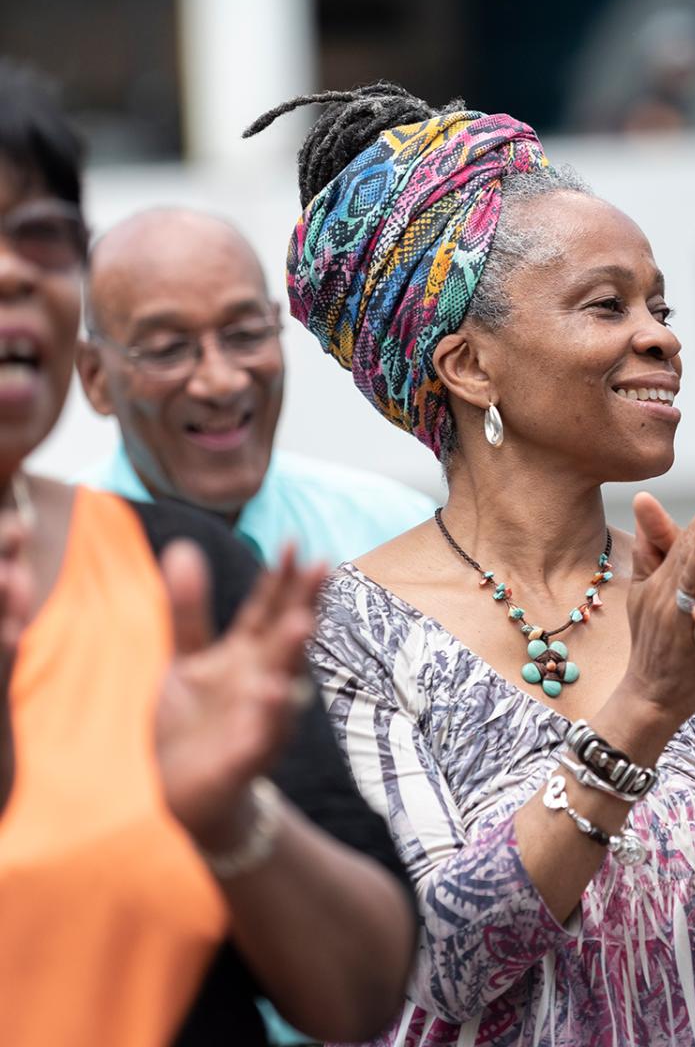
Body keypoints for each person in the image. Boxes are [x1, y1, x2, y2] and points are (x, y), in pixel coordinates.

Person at [243, 83, 695, 1046]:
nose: (663, 336)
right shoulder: (350, 638)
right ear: (468, 367)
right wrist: (642, 708)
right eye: (608, 305)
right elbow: (440, 962)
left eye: (660, 306)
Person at [0, 60, 417, 1046]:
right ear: (103, 378)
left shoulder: (180, 579)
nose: (15, 268)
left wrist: (231, 822)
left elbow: (362, 997)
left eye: (42, 235)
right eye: (169, 346)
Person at [76, 207, 435, 566]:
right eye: (167, 349)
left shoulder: (395, 538)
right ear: (97, 377)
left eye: (246, 334)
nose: (222, 383)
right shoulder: (46, 568)